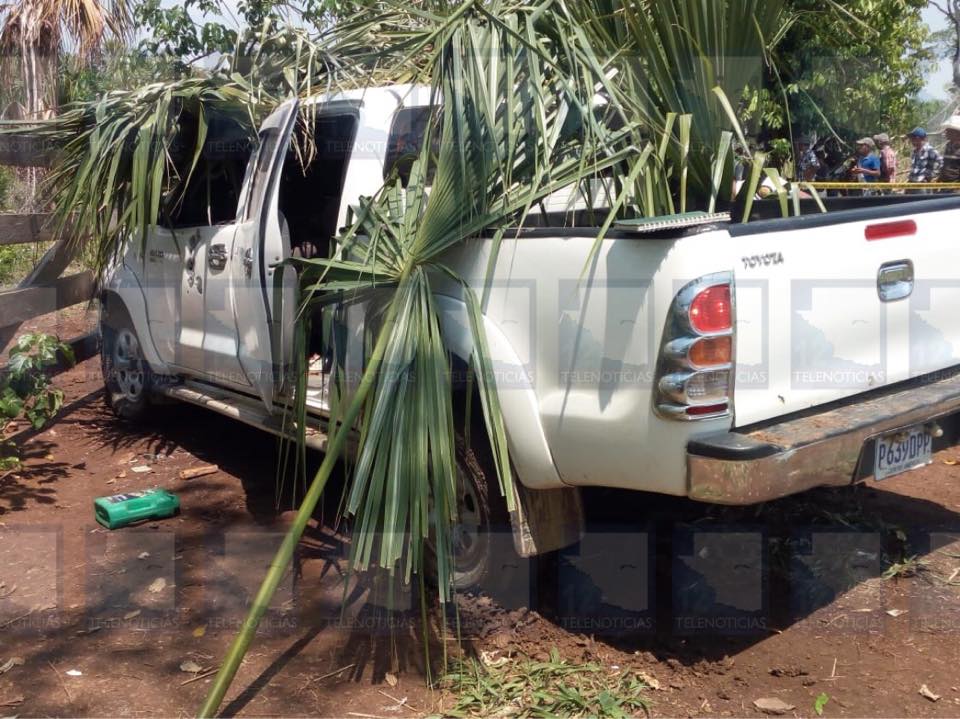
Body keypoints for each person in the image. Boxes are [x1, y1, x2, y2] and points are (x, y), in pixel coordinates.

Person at [938, 116, 960, 184]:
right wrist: (939, 178)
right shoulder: (948, 146)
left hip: (955, 186)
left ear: (956, 132)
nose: (946, 132)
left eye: (948, 130)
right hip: (944, 184)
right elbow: (945, 164)